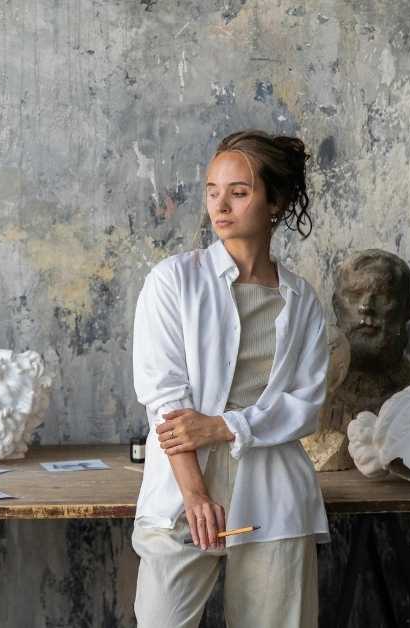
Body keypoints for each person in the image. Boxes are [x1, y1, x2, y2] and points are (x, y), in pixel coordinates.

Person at [131, 130, 330, 627]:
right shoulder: (173, 281)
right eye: (212, 190)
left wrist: (223, 427)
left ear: (276, 202)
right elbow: (165, 400)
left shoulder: (302, 301)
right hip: (183, 487)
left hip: (274, 494)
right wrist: (196, 495)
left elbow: (305, 406)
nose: (221, 205)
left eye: (239, 192)